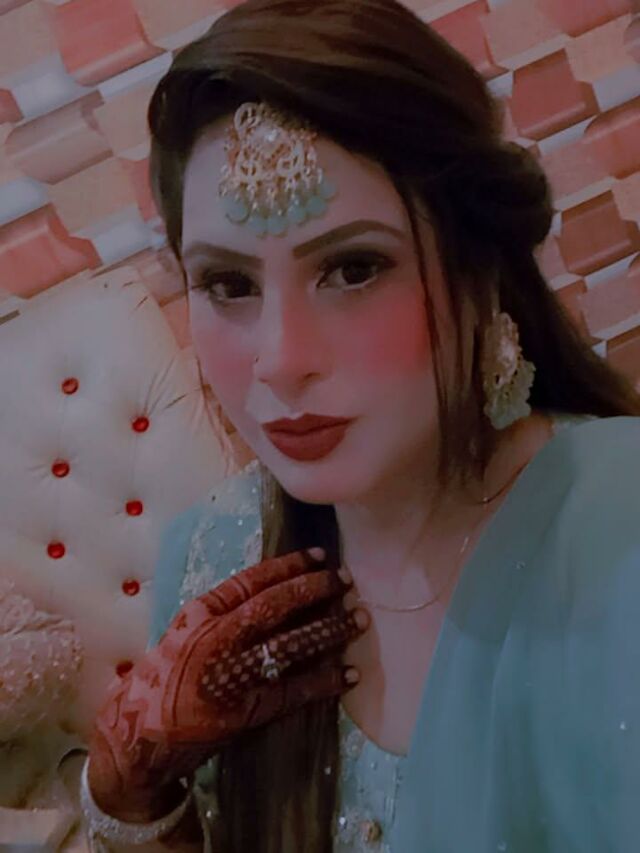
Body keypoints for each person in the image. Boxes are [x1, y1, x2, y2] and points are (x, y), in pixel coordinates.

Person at [80, 1, 640, 851]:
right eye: (229, 285)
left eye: (352, 268)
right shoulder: (216, 563)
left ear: (478, 270)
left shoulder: (618, 534)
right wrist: (132, 798)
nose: (280, 360)